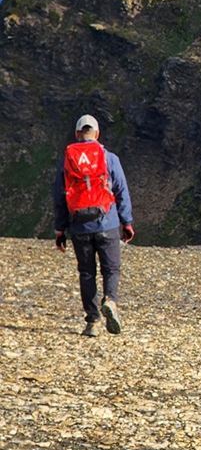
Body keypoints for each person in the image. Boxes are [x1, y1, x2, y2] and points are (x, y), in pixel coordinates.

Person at [51, 115, 134, 337]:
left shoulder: (67, 160)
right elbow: (121, 192)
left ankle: (92, 322)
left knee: (87, 272)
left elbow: (59, 197)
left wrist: (60, 229)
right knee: (111, 269)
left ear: (78, 134)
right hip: (107, 223)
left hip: (79, 227)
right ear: (97, 134)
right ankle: (111, 300)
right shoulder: (110, 158)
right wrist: (127, 222)